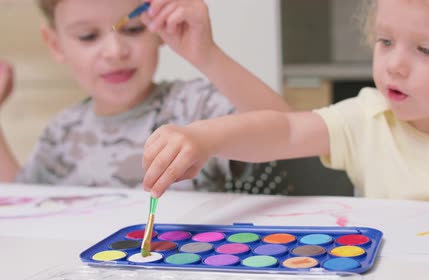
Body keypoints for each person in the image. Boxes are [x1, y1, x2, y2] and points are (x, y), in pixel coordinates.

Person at [142, 0, 429, 228]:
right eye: (385, 41)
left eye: (426, 49)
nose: (394, 63)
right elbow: (283, 127)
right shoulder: (368, 118)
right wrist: (206, 137)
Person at [0, 0, 289, 192]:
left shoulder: (195, 105)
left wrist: (206, 54)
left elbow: (290, 134)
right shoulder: (62, 132)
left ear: (158, 29)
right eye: (88, 36)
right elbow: (21, 199)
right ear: (56, 44)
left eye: (134, 29)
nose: (115, 51)